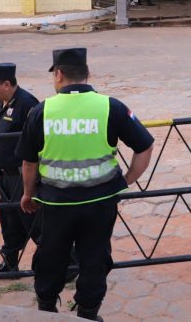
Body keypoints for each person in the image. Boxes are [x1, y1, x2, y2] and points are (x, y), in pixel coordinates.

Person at [17, 48, 155, 320]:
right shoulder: (110, 106)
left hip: (56, 205)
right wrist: (125, 181)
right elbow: (145, 146)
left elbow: (29, 163)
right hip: (100, 203)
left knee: (51, 256)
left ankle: (47, 309)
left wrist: (27, 194)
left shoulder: (41, 111)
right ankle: (88, 313)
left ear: (59, 75)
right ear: (87, 74)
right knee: (94, 258)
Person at [0, 63, 39, 274]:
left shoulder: (27, 104)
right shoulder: (2, 104)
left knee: (34, 222)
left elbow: (35, 143)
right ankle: (10, 264)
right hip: (6, 176)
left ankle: (68, 263)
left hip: (21, 175)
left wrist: (29, 181)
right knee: (9, 222)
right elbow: (0, 140)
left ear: (7, 84)